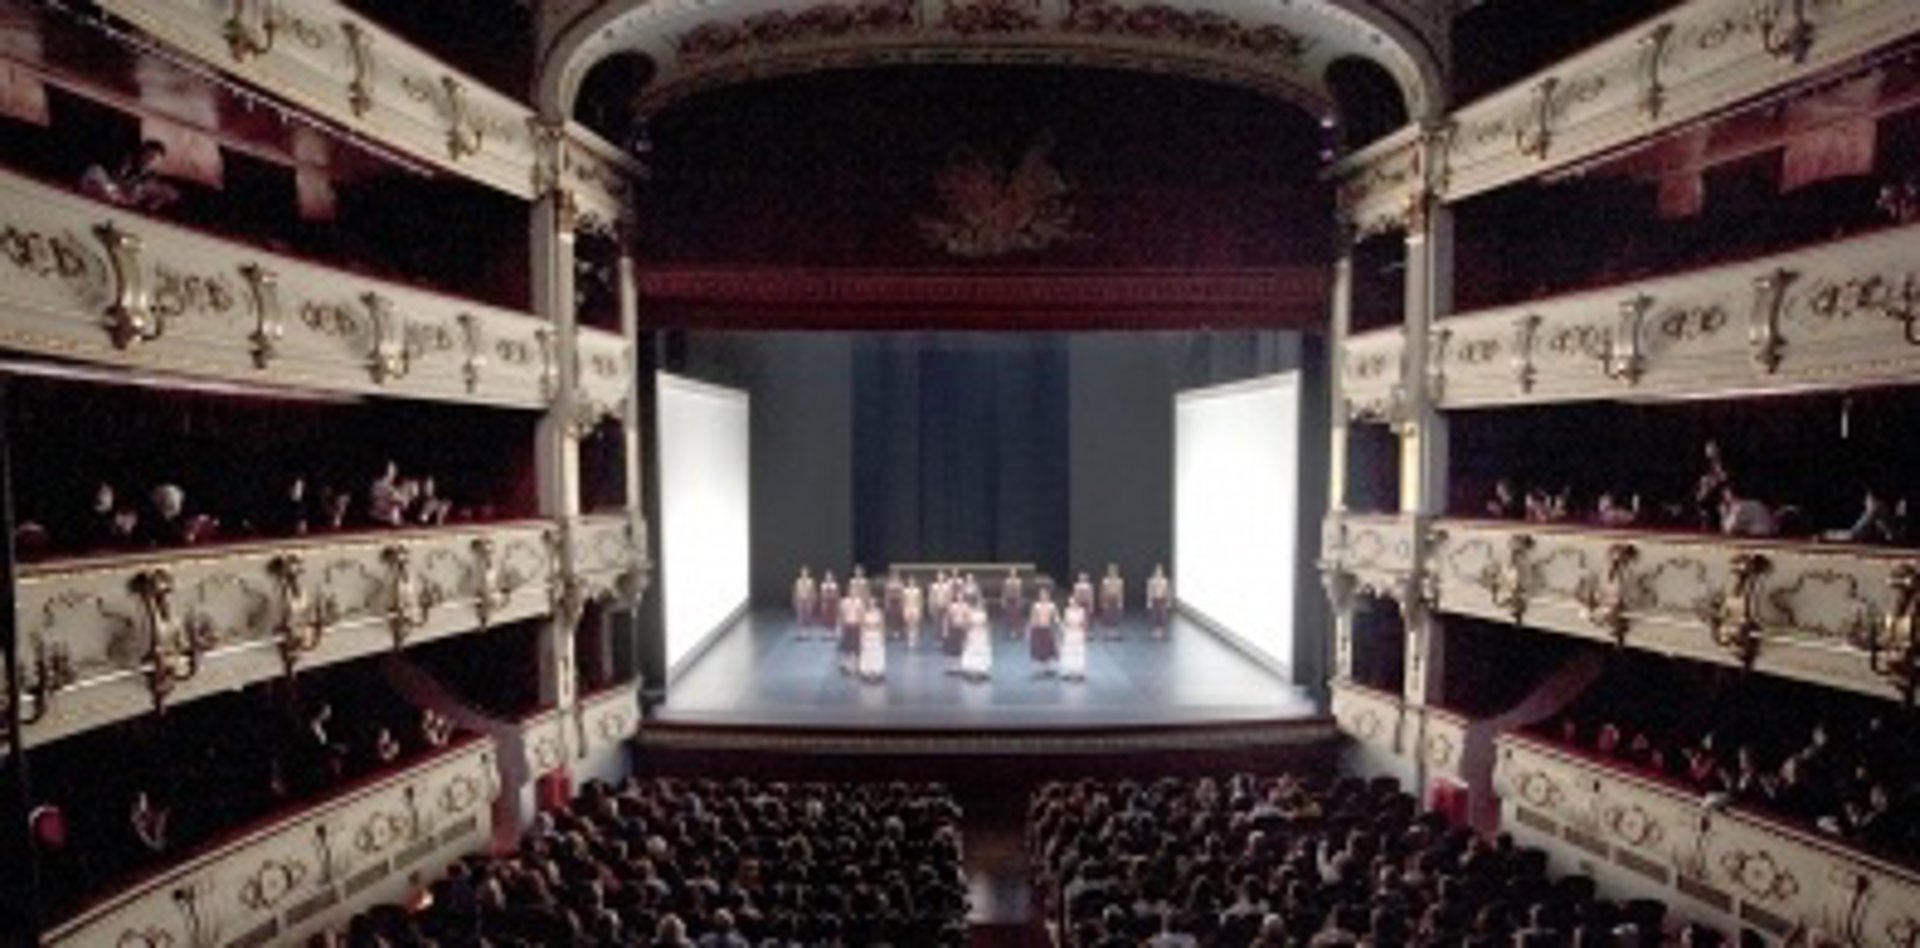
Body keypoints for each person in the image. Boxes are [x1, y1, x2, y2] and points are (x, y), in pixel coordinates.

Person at [80, 139, 180, 211]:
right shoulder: (119, 164)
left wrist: (158, 199)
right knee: (96, 172)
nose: (149, 161)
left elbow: (146, 203)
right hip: (103, 197)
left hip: (123, 206)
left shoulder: (151, 182)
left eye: (153, 159)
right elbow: (110, 181)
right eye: (147, 155)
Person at [1028, 586, 1060, 675]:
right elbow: (1033, 618)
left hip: (1048, 628)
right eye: (1041, 595)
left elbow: (1056, 617)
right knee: (1040, 648)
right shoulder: (1036, 606)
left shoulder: (1052, 605)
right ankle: (1041, 667)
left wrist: (1059, 624)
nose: (1043, 596)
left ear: (1048, 595)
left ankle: (1048, 667)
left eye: (1044, 594)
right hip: (1038, 628)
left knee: (1049, 647)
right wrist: (1031, 628)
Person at [1060, 595, 1089, 681]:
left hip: (1078, 633)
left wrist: (1084, 632)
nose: (1072, 605)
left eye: (1074, 603)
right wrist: (1064, 629)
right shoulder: (1067, 611)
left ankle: (1079, 672)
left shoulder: (1081, 611)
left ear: (1077, 603)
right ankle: (1069, 671)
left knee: (1078, 652)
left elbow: (1084, 623)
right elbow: (1065, 621)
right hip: (1069, 633)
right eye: (1070, 603)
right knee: (1069, 652)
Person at [960, 604, 992, 681]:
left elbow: (967, 625)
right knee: (975, 650)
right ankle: (976, 670)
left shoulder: (973, 614)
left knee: (976, 650)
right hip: (978, 634)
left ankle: (976, 670)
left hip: (977, 634)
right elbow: (986, 625)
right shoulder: (978, 614)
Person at [858, 599, 886, 682]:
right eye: (870, 603)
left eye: (873, 603)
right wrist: (862, 636)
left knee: (876, 653)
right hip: (867, 635)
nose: (872, 604)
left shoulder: (879, 613)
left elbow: (882, 626)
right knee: (867, 653)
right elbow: (862, 626)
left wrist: (882, 636)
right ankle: (868, 671)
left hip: (876, 634)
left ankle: (876, 671)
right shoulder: (864, 613)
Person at [943, 594, 971, 672]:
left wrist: (968, 628)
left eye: (961, 597)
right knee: (953, 648)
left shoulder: (966, 606)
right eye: (958, 597)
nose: (960, 598)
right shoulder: (952, 606)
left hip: (962, 628)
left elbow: (968, 618)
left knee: (962, 647)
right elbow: (946, 618)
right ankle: (952, 666)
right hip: (954, 628)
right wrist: (945, 630)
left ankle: (961, 665)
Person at [837, 592, 862, 673]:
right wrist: (841, 626)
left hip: (856, 625)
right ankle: (847, 664)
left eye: (854, 592)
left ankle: (856, 665)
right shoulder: (844, 602)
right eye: (851, 591)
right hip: (847, 625)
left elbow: (861, 614)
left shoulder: (859, 601)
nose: (853, 593)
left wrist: (861, 626)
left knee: (856, 646)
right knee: (847, 646)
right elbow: (841, 614)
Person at [1146, 564, 1172, 638]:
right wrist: (1149, 601)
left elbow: (1167, 591)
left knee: (1162, 615)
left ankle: (1161, 631)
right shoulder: (1152, 581)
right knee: (1154, 615)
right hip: (1155, 599)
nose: (1159, 572)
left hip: (1162, 600)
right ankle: (1156, 630)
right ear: (1155, 572)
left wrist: (1168, 601)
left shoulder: (1164, 581)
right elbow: (1149, 591)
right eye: (1157, 571)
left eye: (1160, 571)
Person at [1098, 564, 1125, 636]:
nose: (1112, 572)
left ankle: (1115, 632)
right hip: (1108, 599)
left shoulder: (1120, 581)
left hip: (1115, 599)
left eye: (1114, 571)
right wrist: (1103, 602)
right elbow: (1103, 592)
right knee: (1107, 615)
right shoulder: (1105, 581)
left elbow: (1120, 592)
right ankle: (1107, 632)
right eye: (1111, 571)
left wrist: (1120, 601)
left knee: (1116, 616)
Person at [1001, 568, 1025, 639]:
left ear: (1016, 573)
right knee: (1008, 616)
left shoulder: (1019, 581)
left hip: (1016, 599)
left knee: (1016, 616)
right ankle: (1008, 632)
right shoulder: (1007, 581)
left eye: (1014, 572)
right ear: (1010, 573)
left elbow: (1020, 592)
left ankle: (1017, 632)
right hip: (1009, 600)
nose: (1013, 574)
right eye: (1012, 572)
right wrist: (1003, 600)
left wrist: (1020, 601)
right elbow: (1004, 591)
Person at [902, 576, 925, 648]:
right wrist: (904, 610)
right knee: (908, 625)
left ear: (914, 583)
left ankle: (916, 640)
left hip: (915, 608)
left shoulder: (917, 591)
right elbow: (904, 601)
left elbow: (920, 601)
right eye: (910, 582)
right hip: (908, 608)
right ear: (908, 582)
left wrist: (920, 610)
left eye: (912, 582)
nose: (911, 583)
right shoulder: (905, 591)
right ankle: (909, 640)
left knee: (916, 624)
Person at [792, 566, 817, 631]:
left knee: (808, 615)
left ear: (807, 573)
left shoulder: (810, 581)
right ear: (801, 573)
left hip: (808, 600)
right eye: (803, 572)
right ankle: (801, 630)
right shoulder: (798, 581)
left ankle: (808, 630)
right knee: (800, 615)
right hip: (800, 600)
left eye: (805, 572)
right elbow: (796, 591)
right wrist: (795, 600)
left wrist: (814, 600)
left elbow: (813, 591)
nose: (804, 574)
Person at [816, 571, 840, 637]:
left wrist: (837, 604)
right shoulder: (823, 585)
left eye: (829, 576)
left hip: (833, 603)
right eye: (827, 576)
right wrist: (823, 604)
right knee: (826, 618)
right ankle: (827, 633)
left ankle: (833, 633)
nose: (828, 578)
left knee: (833, 618)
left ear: (832, 577)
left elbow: (837, 595)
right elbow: (821, 595)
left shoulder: (834, 585)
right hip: (826, 602)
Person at [883, 570, 906, 636]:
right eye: (894, 575)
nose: (896, 576)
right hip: (891, 601)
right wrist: (886, 602)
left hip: (898, 601)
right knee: (891, 616)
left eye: (897, 575)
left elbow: (902, 594)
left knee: (899, 616)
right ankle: (892, 631)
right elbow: (887, 594)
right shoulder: (888, 583)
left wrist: (902, 602)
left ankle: (899, 631)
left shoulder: (901, 583)